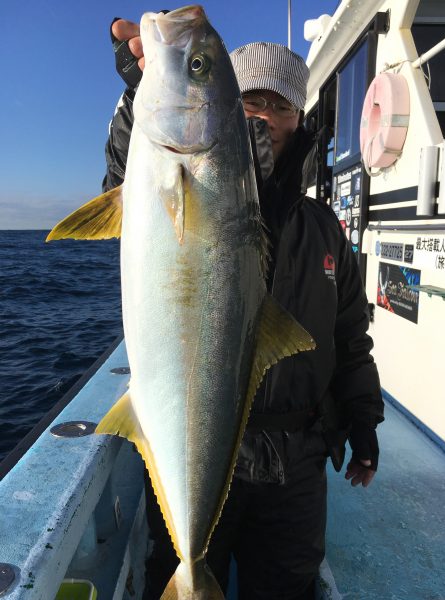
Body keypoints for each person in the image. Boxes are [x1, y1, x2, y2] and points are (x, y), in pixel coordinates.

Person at [103, 15, 384, 600]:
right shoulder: (174, 174)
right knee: (175, 569)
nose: (263, 115)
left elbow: (351, 336)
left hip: (298, 463)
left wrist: (364, 422)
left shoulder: (325, 231)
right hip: (205, 450)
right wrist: (138, 97)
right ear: (230, 110)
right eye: (249, 99)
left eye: (278, 105)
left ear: (299, 119)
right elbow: (133, 186)